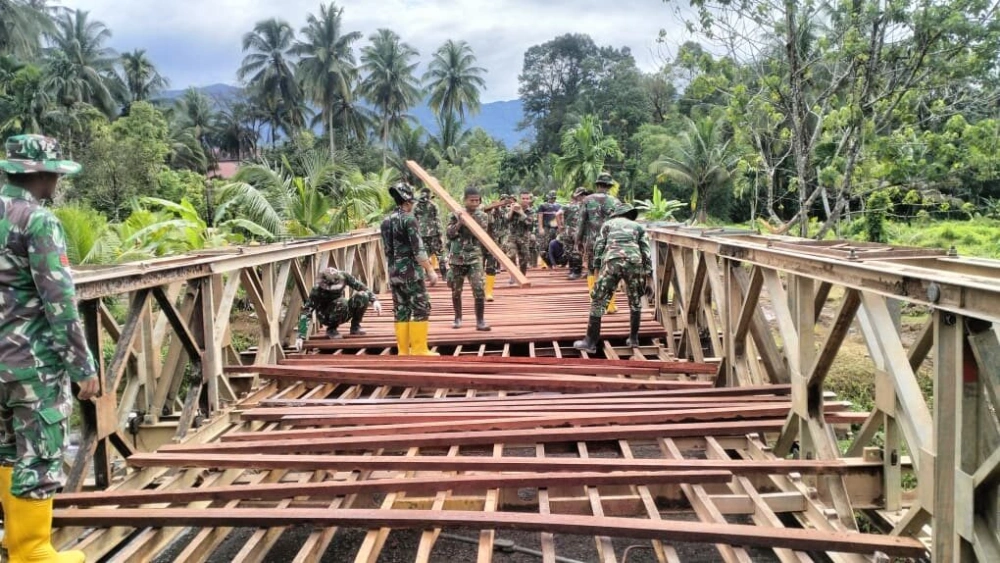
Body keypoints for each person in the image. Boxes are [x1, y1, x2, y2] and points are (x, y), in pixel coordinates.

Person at [0, 134, 100, 563]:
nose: (57, 181)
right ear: (39, 175)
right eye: (55, 173)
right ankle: (33, 551)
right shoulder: (37, 221)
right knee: (39, 454)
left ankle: (11, 539)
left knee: (5, 449)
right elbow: (59, 303)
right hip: (32, 366)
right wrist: (84, 368)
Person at [574, 203, 652, 354]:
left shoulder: (607, 224)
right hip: (634, 263)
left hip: (612, 263)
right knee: (635, 302)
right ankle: (634, 339)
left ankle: (590, 342)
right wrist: (649, 276)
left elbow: (599, 247)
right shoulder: (639, 227)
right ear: (630, 214)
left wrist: (596, 271)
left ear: (616, 214)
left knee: (598, 301)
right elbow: (646, 252)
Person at [380, 182, 440, 356]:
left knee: (401, 309)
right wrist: (430, 270)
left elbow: (387, 249)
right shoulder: (409, 219)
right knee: (421, 307)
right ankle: (420, 349)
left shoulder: (385, 221)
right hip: (411, 273)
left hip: (394, 273)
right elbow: (418, 249)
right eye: (411, 202)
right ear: (407, 202)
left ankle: (403, 351)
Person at [295, 267, 382, 348]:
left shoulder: (344, 276)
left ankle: (355, 326)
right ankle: (331, 329)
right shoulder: (317, 290)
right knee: (342, 302)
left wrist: (374, 300)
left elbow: (361, 287)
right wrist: (300, 336)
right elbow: (307, 311)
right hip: (326, 315)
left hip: (341, 309)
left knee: (363, 295)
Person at [445, 186, 491, 331]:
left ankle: (480, 321)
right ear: (465, 200)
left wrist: (470, 220)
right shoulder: (454, 215)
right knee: (456, 289)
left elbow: (481, 233)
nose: (475, 203)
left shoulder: (483, 216)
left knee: (479, 287)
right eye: (472, 200)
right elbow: (450, 234)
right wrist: (459, 223)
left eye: (477, 201)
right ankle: (457, 318)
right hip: (457, 256)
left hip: (474, 256)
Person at [576, 172, 621, 313]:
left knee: (591, 269)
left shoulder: (587, 200)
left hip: (592, 242)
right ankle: (610, 305)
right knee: (610, 271)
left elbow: (581, 223)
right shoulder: (616, 202)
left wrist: (578, 241)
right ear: (609, 186)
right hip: (610, 241)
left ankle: (595, 303)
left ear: (597, 185)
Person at [483, 194, 514, 301]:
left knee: (491, 266)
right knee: (478, 268)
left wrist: (509, 209)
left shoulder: (503, 212)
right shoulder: (485, 212)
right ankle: (479, 290)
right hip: (482, 242)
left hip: (496, 241)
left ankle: (489, 292)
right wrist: (492, 208)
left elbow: (507, 219)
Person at [414, 187, 447, 279]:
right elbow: (437, 220)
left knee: (424, 255)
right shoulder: (433, 205)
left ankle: (427, 275)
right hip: (434, 234)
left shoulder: (416, 206)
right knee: (440, 254)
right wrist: (441, 235)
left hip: (421, 234)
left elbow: (414, 221)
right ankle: (444, 275)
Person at [558, 187, 589, 279]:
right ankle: (576, 272)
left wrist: (561, 226)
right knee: (577, 251)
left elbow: (558, 214)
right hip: (580, 232)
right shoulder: (586, 206)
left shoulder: (569, 206)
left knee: (572, 251)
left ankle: (574, 271)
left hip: (570, 231)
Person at [506, 190, 536, 278]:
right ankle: (513, 274)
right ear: (519, 199)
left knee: (524, 259)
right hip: (512, 236)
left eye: (527, 198)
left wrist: (521, 212)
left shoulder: (530, 211)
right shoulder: (513, 207)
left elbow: (529, 223)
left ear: (530, 199)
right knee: (511, 254)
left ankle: (521, 276)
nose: (525, 200)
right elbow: (506, 220)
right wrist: (512, 210)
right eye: (523, 198)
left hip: (524, 237)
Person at [536, 190, 562, 268]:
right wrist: (540, 228)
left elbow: (560, 217)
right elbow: (540, 217)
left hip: (556, 228)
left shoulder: (558, 206)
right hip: (546, 228)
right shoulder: (543, 206)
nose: (552, 199)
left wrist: (560, 227)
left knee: (555, 245)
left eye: (554, 197)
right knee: (544, 246)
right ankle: (545, 263)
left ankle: (555, 262)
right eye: (551, 197)